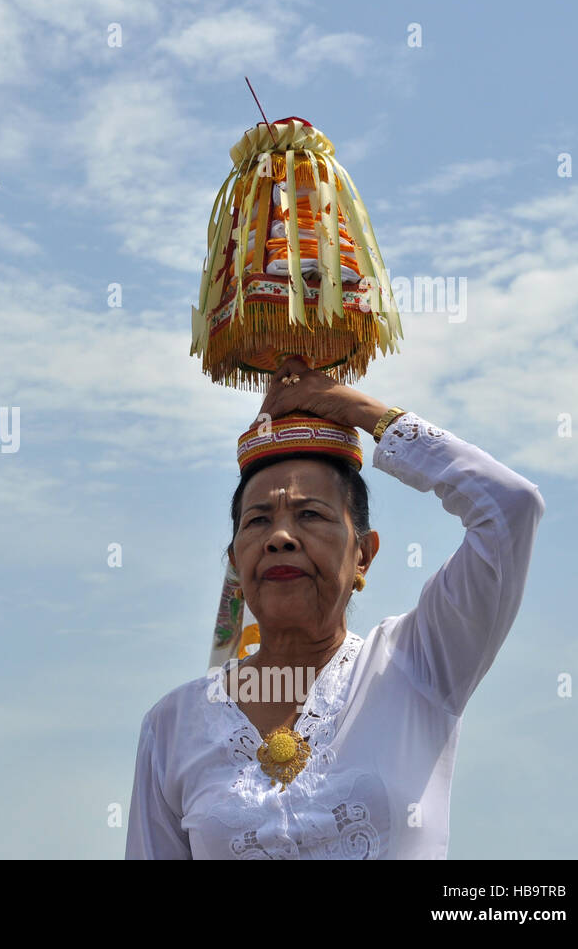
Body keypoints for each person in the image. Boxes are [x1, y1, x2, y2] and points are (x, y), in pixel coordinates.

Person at [126, 356, 545, 859]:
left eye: (310, 514)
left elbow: (510, 506)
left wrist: (358, 409)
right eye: (258, 521)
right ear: (236, 559)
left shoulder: (417, 665)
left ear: (363, 553)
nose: (281, 536)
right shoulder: (173, 727)